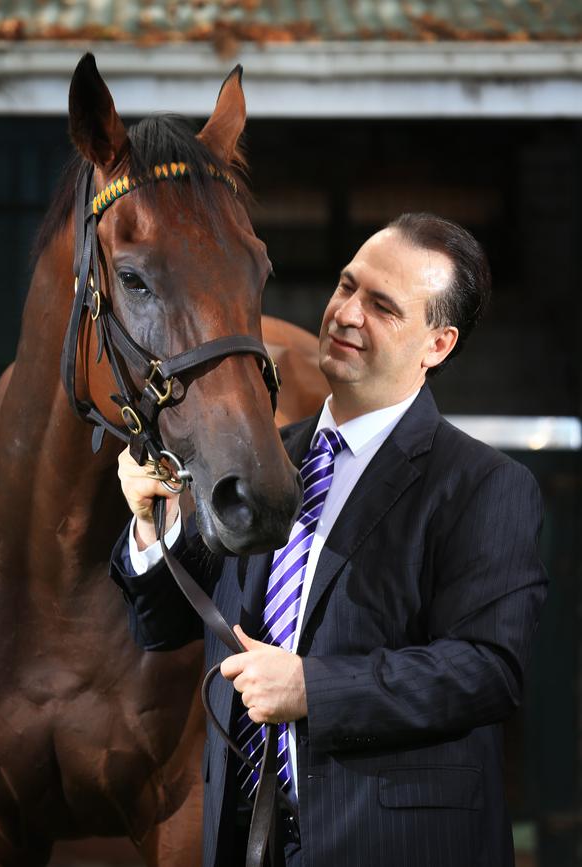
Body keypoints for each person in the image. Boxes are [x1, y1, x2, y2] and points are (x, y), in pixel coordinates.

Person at [110, 212, 548, 867]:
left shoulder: (486, 486)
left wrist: (313, 687)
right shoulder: (265, 464)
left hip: (397, 846)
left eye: (382, 306)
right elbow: (163, 625)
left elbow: (487, 671)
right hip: (246, 840)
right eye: (347, 286)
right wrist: (152, 522)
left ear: (438, 344)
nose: (345, 312)